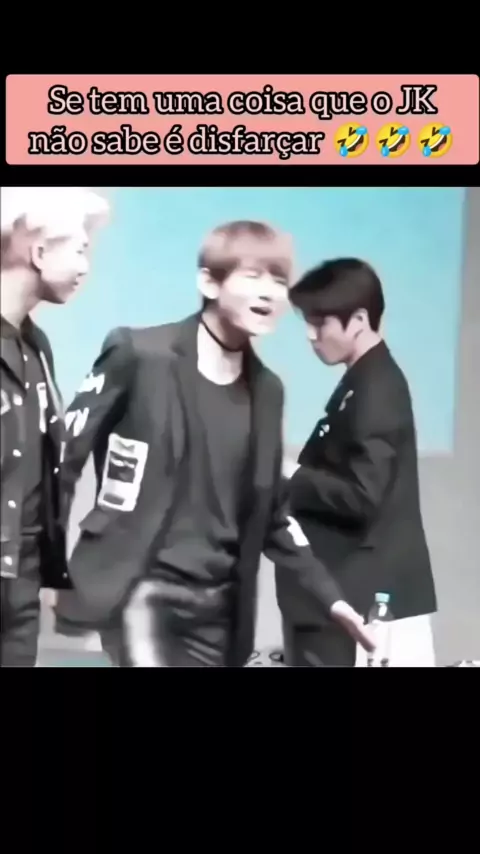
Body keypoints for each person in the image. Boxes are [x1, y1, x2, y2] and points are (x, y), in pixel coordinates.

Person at [55, 221, 375, 667]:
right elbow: (63, 455)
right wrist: (41, 559)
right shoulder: (141, 355)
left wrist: (331, 598)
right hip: (142, 591)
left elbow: (274, 514)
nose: (268, 292)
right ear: (209, 282)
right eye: (253, 275)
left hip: (220, 609)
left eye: (279, 281)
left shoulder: (267, 391)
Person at [277, 257, 438, 667]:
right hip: (351, 594)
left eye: (321, 323)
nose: (311, 335)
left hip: (370, 601)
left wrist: (292, 475)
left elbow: (362, 496)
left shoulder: (377, 387)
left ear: (360, 320)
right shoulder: (362, 381)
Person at [0, 186, 109, 666]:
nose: (86, 266)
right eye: (80, 250)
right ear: (39, 252)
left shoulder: (36, 347)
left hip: (20, 582)